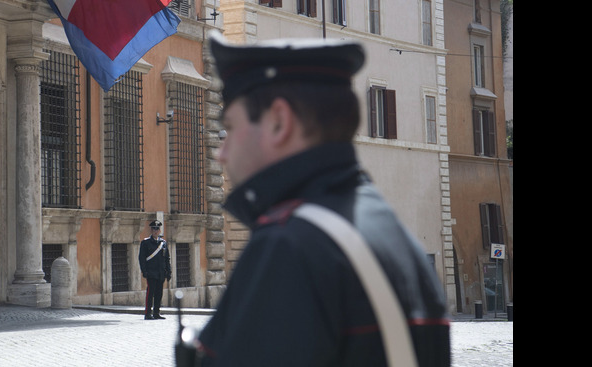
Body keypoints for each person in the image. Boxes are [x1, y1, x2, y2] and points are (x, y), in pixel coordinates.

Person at [194, 33, 450, 366]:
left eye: (228, 128)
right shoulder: (402, 242)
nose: (221, 153)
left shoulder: (288, 245)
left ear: (278, 122)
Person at [139, 220, 172, 320]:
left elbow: (167, 258)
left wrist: (168, 271)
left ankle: (156, 313)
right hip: (151, 272)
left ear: (159, 230)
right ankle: (148, 313)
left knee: (159, 294)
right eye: (154, 229)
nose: (155, 231)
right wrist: (144, 271)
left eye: (157, 229)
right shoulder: (145, 243)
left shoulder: (163, 243)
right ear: (151, 230)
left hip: (161, 272)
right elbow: (141, 258)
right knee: (150, 293)